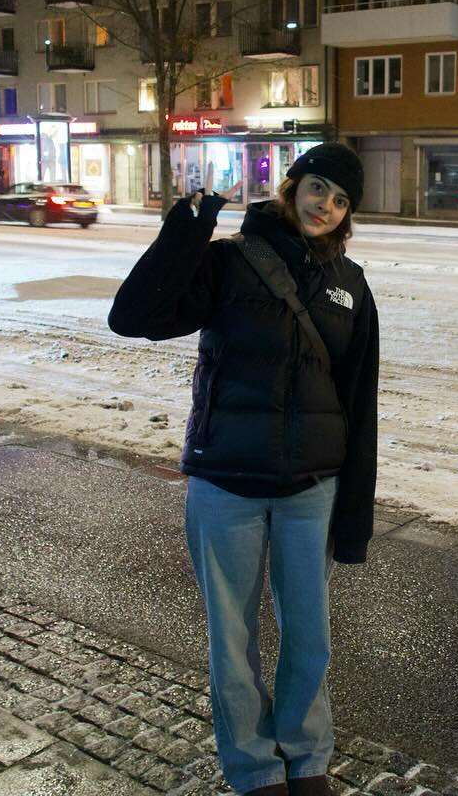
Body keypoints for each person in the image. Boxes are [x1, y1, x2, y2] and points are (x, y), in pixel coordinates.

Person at [109, 143, 379, 796]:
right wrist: (188, 227)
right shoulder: (229, 260)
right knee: (232, 640)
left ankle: (306, 760)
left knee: (309, 636)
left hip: (311, 488)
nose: (326, 205)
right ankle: (256, 769)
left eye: (341, 200)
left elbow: (359, 402)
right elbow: (133, 316)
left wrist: (354, 516)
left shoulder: (350, 285)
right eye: (318, 188)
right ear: (293, 187)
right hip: (226, 481)